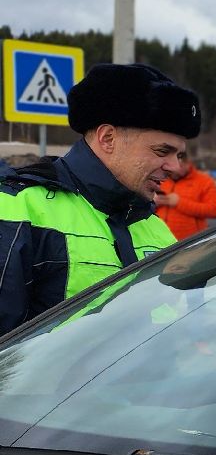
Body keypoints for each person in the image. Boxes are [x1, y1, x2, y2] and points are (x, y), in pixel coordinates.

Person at [0, 63, 196, 334]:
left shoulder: (155, 227)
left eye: (179, 155)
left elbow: (173, 334)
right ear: (107, 139)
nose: (174, 167)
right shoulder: (17, 208)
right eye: (163, 150)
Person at [153, 150, 216, 240]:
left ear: (188, 163)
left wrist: (179, 202)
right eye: (172, 165)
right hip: (160, 239)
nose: (175, 169)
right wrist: (154, 203)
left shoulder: (205, 182)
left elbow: (214, 210)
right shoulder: (161, 179)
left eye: (179, 165)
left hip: (189, 242)